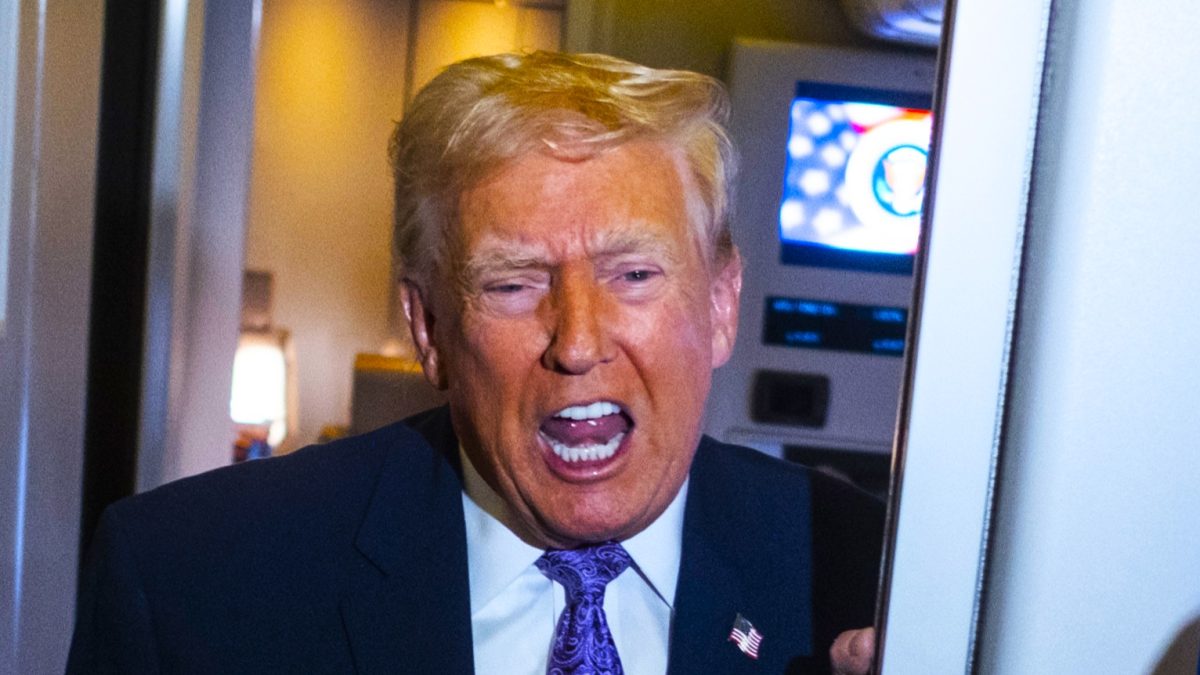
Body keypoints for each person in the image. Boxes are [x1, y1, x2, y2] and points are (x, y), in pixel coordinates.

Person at [68, 51, 883, 674]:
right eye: (514, 282)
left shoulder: (871, 579)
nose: (578, 340)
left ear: (720, 304)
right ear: (428, 327)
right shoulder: (189, 582)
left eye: (634, 274)